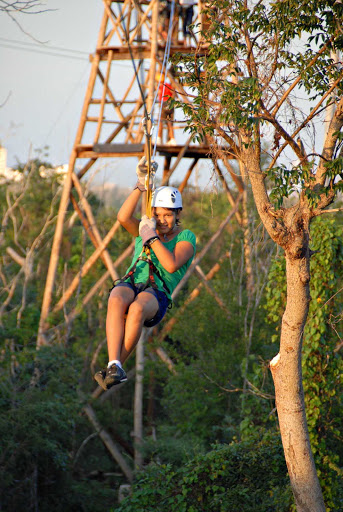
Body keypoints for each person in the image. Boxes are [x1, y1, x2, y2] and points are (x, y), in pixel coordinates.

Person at [94, 158, 196, 390]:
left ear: (177, 213)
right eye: (158, 215)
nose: (162, 221)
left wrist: (151, 237)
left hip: (156, 293)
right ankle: (114, 364)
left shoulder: (185, 238)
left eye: (168, 215)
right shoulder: (146, 229)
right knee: (116, 297)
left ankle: (118, 364)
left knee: (137, 308)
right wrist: (141, 184)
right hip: (133, 281)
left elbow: (170, 265)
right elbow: (122, 217)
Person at [156, 74, 176, 145]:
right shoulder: (168, 85)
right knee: (169, 123)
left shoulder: (161, 87)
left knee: (160, 121)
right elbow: (173, 93)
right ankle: (172, 139)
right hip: (170, 105)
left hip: (164, 104)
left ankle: (158, 139)